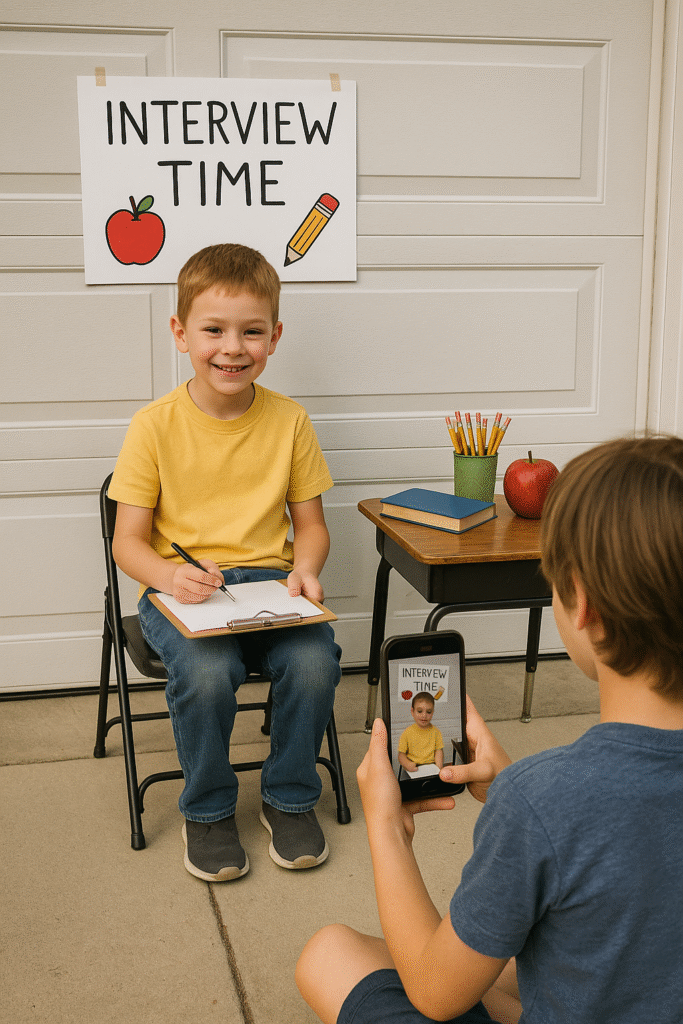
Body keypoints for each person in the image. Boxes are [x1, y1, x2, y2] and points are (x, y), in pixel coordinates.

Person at [296, 435, 683, 1024]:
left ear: (582, 604)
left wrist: (385, 827)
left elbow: (434, 992)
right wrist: (509, 785)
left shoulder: (542, 801)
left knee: (330, 954)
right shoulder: (538, 799)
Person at [109, 242, 341, 882]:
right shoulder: (153, 426)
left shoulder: (290, 422)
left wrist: (306, 570)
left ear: (275, 337)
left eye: (251, 332)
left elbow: (311, 526)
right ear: (181, 333)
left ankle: (289, 796)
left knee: (314, 661)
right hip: (183, 593)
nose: (232, 348)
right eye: (213, 330)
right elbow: (127, 542)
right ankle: (208, 809)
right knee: (209, 674)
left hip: (270, 589)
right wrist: (168, 576)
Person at [398, 693, 444, 773]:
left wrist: (439, 768)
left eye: (428, 712)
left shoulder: (436, 732)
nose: (424, 715)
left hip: (431, 767)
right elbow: (401, 755)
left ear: (433, 712)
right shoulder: (407, 733)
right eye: (419, 711)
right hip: (413, 767)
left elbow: (439, 752)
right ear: (412, 711)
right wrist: (407, 764)